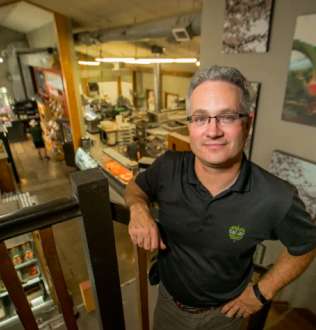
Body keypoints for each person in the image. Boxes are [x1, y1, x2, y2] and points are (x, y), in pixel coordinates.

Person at [124, 65, 316, 330]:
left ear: (246, 125)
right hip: (168, 305)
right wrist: (138, 209)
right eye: (200, 118)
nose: (212, 131)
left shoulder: (276, 196)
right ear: (190, 125)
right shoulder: (167, 166)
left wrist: (262, 293)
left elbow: (306, 245)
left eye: (226, 117)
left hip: (223, 317)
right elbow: (136, 187)